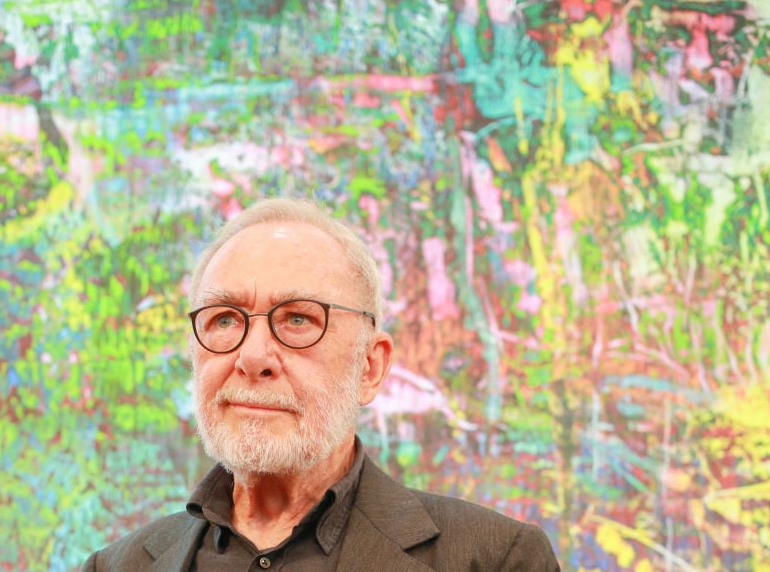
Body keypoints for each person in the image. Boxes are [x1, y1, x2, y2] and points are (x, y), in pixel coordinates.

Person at [82, 198, 561, 571]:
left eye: (297, 318)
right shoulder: (114, 567)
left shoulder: (494, 559)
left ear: (369, 367)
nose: (252, 357)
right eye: (225, 319)